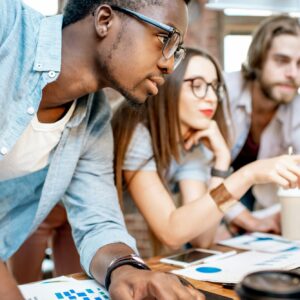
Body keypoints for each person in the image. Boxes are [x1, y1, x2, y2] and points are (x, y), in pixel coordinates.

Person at [0, 0, 206, 299]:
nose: (169, 64)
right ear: (105, 20)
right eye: (165, 39)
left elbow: (98, 223)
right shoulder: (7, 28)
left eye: (177, 50)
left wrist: (126, 271)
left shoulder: (94, 121)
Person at [112, 47, 300, 253]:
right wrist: (248, 174)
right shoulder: (138, 132)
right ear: (167, 87)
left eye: (214, 87)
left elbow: (202, 238)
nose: (210, 97)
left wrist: (221, 163)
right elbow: (171, 233)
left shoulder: (194, 144)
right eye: (198, 85)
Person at [224, 15, 300, 234]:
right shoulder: (222, 93)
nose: (292, 74)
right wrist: (245, 220)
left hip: (258, 201)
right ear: (258, 58)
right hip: (208, 190)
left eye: (299, 64)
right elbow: (200, 178)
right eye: (281, 60)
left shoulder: (296, 109)